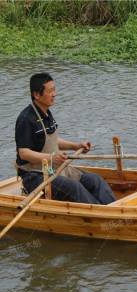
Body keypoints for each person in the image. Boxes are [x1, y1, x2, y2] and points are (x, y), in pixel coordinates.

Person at [15, 73, 116, 205]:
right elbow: (24, 153)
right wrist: (51, 158)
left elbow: (53, 140)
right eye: (50, 91)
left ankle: (114, 208)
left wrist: (76, 146)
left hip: (54, 169)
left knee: (95, 180)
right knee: (74, 187)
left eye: (54, 90)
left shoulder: (46, 113)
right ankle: (102, 217)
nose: (54, 94)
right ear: (36, 94)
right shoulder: (26, 119)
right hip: (35, 176)